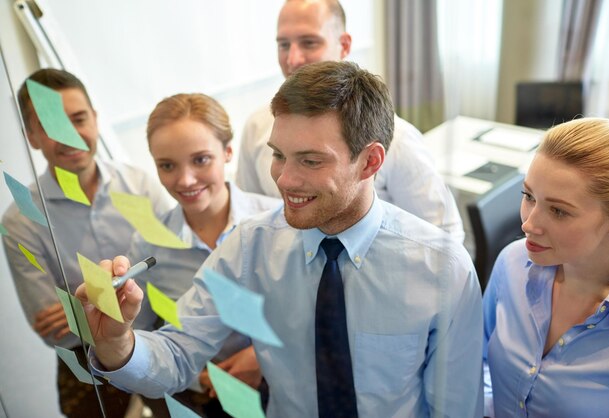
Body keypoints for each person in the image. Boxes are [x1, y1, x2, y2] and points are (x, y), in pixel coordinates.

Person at [77, 61, 483, 417]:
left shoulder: (441, 269)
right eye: (278, 155)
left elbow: (454, 408)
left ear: (371, 161)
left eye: (310, 160)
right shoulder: (250, 246)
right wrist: (119, 344)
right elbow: (180, 352)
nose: (285, 180)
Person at [1, 68, 171, 417]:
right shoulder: (21, 221)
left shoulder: (141, 185)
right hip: (87, 368)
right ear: (30, 136)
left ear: (94, 119)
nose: (69, 135)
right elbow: (56, 332)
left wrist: (81, 306)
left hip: (162, 343)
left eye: (78, 119)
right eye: (50, 125)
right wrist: (136, 291)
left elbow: (177, 278)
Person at [236, 0, 464, 242]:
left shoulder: (398, 140)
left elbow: (445, 238)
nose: (293, 59)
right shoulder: (257, 128)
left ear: (343, 45)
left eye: (309, 43)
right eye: (284, 45)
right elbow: (249, 213)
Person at [129, 93, 280, 416]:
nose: (184, 180)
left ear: (227, 152)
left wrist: (259, 357)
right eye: (167, 165)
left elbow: (312, 311)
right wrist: (197, 378)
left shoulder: (278, 221)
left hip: (286, 389)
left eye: (200, 160)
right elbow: (139, 335)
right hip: (198, 400)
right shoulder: (148, 247)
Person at [483, 118, 609, 417]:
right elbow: (478, 360)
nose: (528, 224)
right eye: (528, 197)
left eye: (559, 211)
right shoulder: (511, 264)